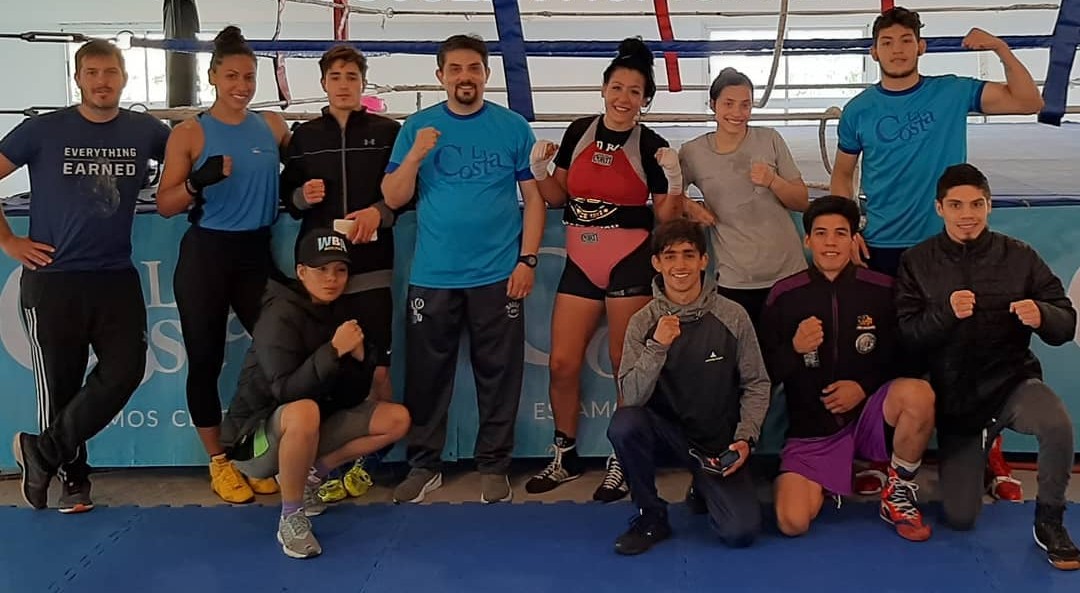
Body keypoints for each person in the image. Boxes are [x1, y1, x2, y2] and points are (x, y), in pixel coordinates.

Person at [829, 6, 1041, 499]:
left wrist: (998, 48)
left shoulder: (950, 90)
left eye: (906, 40)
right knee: (885, 357)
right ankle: (882, 454)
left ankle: (987, 449)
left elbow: (1028, 98)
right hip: (882, 250)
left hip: (947, 250)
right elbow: (842, 174)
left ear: (920, 46)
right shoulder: (859, 109)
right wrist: (849, 223)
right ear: (874, 51)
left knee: (967, 353)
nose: (897, 49)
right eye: (887, 42)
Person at [2, 40, 170, 513]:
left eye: (111, 72)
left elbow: (188, 155)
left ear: (124, 77)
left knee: (125, 372)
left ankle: (43, 451)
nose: (102, 81)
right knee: (61, 385)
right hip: (53, 278)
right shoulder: (43, 129)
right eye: (92, 72)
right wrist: (9, 242)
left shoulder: (144, 130)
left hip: (115, 276)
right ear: (78, 79)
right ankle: (74, 481)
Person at [380, 34, 545, 504]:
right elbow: (393, 197)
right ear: (441, 76)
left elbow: (533, 199)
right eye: (455, 69)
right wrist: (414, 154)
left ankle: (494, 465)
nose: (465, 77)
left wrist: (527, 259)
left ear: (486, 74)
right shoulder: (417, 127)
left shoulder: (513, 127)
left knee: (499, 374)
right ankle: (423, 465)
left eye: (473, 68)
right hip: (434, 274)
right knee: (427, 377)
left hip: (497, 274)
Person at [896, 163, 1079, 570]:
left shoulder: (1020, 256)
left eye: (977, 204)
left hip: (1011, 383)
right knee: (960, 519)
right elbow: (907, 337)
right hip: (956, 400)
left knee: (1056, 423)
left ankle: (1049, 521)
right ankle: (982, 452)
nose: (967, 214)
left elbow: (1065, 322)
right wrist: (944, 313)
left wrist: (1044, 315)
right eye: (956, 205)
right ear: (939, 208)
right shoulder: (917, 261)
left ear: (989, 206)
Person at [524, 37, 683, 501]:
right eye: (617, 87)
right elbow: (558, 199)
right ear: (603, 89)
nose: (624, 98)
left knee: (623, 367)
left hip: (627, 261)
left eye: (635, 91)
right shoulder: (578, 132)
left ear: (645, 101)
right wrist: (539, 171)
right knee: (562, 362)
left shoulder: (651, 145)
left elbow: (666, 221)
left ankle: (624, 457)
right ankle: (565, 455)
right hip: (581, 260)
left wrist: (674, 181)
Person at [156, 26, 291, 504]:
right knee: (207, 360)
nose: (241, 84)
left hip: (256, 252)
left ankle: (252, 454)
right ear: (213, 76)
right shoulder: (190, 132)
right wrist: (197, 183)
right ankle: (218, 462)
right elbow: (166, 204)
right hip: (207, 255)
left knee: (280, 355)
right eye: (231, 75)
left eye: (249, 76)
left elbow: (302, 178)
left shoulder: (272, 127)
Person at [219, 228, 411, 559]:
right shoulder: (278, 314)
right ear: (301, 272)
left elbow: (350, 398)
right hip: (253, 443)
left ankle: (311, 475)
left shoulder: (343, 313)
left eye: (339, 270)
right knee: (303, 409)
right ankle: (290, 517)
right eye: (321, 270)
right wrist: (334, 350)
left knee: (396, 418)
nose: (331, 279)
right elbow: (285, 390)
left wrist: (362, 360)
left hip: (305, 430)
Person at [760, 196, 936, 542]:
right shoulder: (784, 295)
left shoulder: (883, 289)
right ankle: (832, 476)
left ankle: (897, 491)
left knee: (918, 394)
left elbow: (909, 359)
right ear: (806, 240)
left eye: (841, 233)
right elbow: (764, 371)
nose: (830, 242)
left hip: (871, 418)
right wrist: (795, 349)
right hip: (813, 433)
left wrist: (864, 387)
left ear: (854, 240)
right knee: (792, 522)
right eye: (821, 233)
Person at [279, 44, 403, 502]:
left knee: (377, 370)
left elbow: (405, 195)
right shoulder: (304, 136)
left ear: (363, 83)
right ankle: (318, 459)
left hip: (372, 267)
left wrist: (379, 213)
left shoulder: (390, 132)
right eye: (336, 77)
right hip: (323, 275)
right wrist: (301, 198)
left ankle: (368, 461)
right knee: (326, 367)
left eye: (352, 76)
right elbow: (285, 197)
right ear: (324, 83)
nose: (345, 84)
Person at [607, 219, 769, 555]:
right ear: (657, 263)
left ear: (703, 261)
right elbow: (632, 396)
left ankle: (703, 486)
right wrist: (657, 346)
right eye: (670, 256)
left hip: (716, 445)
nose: (679, 266)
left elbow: (756, 383)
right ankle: (650, 517)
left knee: (740, 533)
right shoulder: (642, 322)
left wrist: (745, 437)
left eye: (688, 255)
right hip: (664, 436)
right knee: (625, 425)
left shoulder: (733, 315)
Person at [680, 67, 809, 328]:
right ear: (713, 104)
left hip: (788, 271)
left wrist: (774, 181)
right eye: (729, 104)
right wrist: (690, 206)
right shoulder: (693, 152)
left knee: (792, 355)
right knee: (742, 359)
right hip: (736, 277)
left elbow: (802, 201)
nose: (737, 113)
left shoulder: (770, 138)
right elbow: (667, 198)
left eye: (745, 105)